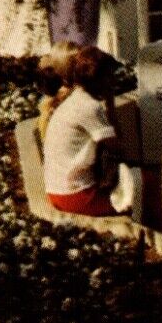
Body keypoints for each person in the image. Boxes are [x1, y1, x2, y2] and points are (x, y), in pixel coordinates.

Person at [43, 47, 127, 215]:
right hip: (75, 195)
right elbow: (118, 147)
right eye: (110, 75)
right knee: (145, 187)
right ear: (100, 78)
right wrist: (110, 103)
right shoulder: (90, 107)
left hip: (57, 190)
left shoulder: (75, 99)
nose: (113, 80)